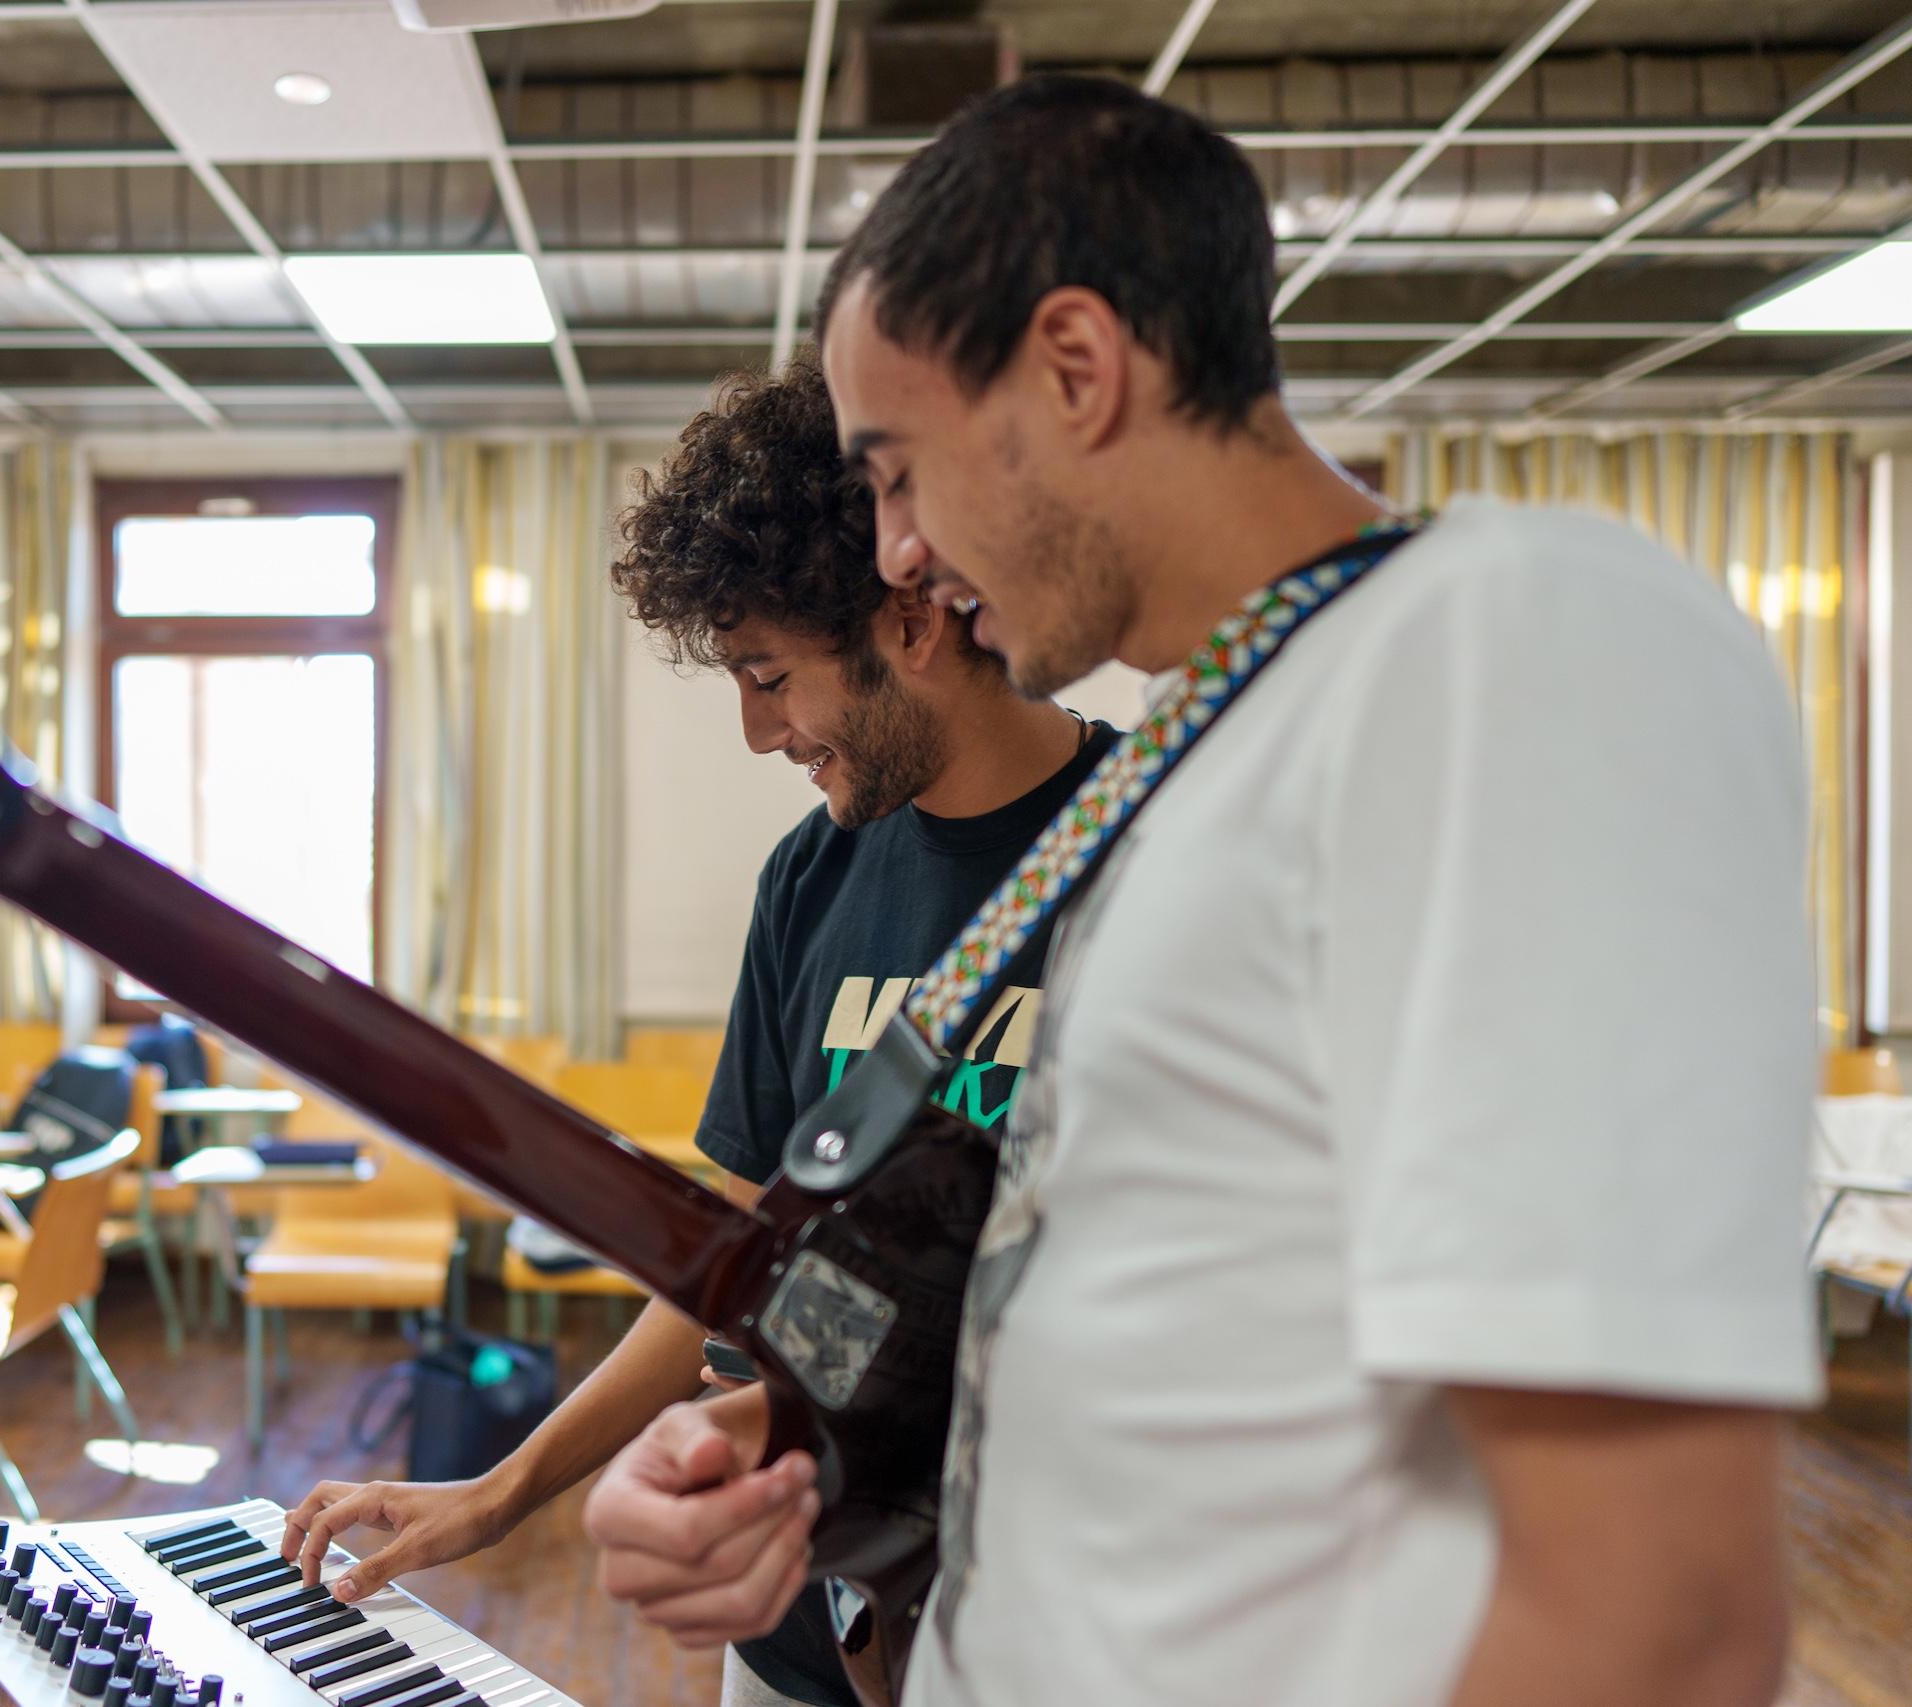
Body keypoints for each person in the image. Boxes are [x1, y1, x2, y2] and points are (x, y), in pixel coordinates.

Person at [582, 74, 1821, 1707]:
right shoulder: (1194, 767)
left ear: (1078, 370)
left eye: (896, 470)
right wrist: (785, 1444)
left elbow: (1651, 1612)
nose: (890, 554)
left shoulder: (1498, 642)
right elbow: (1186, 1341)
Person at [277, 357, 1115, 1707]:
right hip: (795, 1629)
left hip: (1043, 1637)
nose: (755, 730)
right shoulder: (811, 876)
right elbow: (729, 1273)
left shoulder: (1148, 854)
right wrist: (503, 1494)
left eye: (771, 675)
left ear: (910, 616)